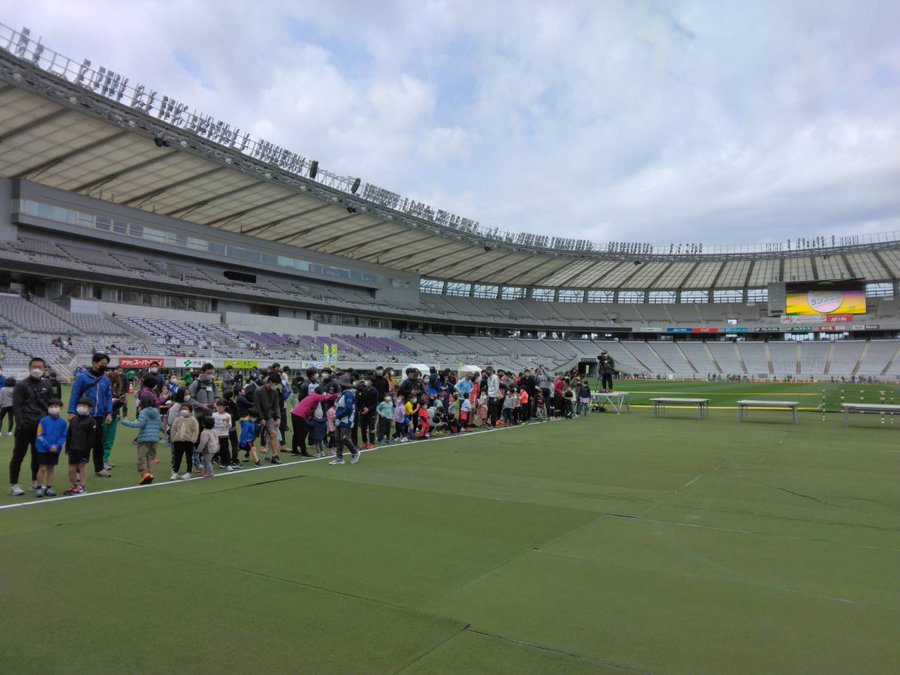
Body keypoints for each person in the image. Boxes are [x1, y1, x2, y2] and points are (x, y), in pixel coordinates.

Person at [9, 358, 53, 496]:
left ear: (45, 369)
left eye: (40, 367)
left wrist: (48, 423)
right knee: (18, 455)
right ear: (29, 368)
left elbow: (49, 405)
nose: (37, 369)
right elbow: (16, 406)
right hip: (25, 426)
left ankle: (35, 482)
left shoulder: (47, 385)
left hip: (40, 427)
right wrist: (20, 423)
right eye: (35, 366)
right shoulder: (21, 385)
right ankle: (14, 484)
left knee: (37, 456)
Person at [68, 353, 114, 478]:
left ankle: (99, 468)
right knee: (82, 444)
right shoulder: (82, 377)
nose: (104, 366)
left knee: (98, 443)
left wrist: (109, 412)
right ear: (94, 363)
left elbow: (108, 397)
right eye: (102, 364)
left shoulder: (106, 379)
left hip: (98, 416)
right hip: (83, 416)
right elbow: (75, 395)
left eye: (106, 364)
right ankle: (78, 470)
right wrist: (71, 412)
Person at [121, 395, 162, 485]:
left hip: (144, 438)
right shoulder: (156, 411)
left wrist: (126, 422)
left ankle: (144, 474)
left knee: (142, 457)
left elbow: (140, 424)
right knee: (150, 458)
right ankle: (150, 473)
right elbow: (160, 425)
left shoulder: (144, 412)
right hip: (154, 438)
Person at [34, 399, 67, 498]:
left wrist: (57, 446)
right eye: (51, 406)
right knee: (42, 468)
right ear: (48, 408)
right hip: (42, 448)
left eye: (56, 406)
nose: (54, 408)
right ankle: (39, 488)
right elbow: (40, 435)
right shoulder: (43, 421)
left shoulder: (63, 422)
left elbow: (63, 436)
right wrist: (48, 446)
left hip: (55, 449)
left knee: (51, 468)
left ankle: (49, 487)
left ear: (61, 408)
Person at [64, 397, 97, 495]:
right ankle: (74, 486)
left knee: (82, 466)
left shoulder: (92, 421)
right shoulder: (74, 419)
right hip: (73, 447)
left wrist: (87, 450)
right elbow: (69, 434)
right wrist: (67, 447)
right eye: (79, 405)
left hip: (83, 449)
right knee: (71, 469)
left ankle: (82, 487)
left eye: (84, 406)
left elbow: (91, 438)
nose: (81, 407)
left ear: (90, 409)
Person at [330, 373, 360, 465]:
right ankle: (339, 458)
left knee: (344, 438)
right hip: (340, 419)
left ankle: (355, 452)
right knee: (338, 438)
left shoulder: (349, 394)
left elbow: (348, 408)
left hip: (346, 419)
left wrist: (337, 416)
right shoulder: (342, 394)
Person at [254, 373, 282, 464]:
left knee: (273, 434)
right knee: (250, 437)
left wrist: (278, 417)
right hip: (257, 417)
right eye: (275, 384)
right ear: (270, 382)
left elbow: (276, 406)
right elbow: (257, 406)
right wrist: (261, 418)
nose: (276, 386)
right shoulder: (258, 391)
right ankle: (245, 454)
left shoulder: (275, 392)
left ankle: (274, 456)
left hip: (269, 416)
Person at [170, 402, 199, 480]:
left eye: (185, 409)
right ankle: (175, 472)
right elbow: (173, 429)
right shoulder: (178, 419)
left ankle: (188, 472)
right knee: (177, 458)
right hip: (178, 442)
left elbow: (195, 431)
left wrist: (193, 440)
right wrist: (174, 438)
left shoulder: (193, 420)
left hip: (188, 442)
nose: (184, 410)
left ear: (190, 410)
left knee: (189, 458)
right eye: (182, 409)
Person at [356, 375, 378, 450]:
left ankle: (371, 443)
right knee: (363, 427)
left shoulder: (374, 391)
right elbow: (361, 400)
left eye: (367, 380)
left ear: (371, 382)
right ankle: (364, 442)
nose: (366, 382)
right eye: (365, 380)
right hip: (363, 411)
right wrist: (364, 408)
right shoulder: (363, 390)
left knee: (371, 428)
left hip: (371, 412)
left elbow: (375, 403)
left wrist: (368, 409)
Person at [212, 400, 233, 471]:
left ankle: (228, 464)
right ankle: (223, 463)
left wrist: (227, 422)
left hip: (224, 435)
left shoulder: (227, 415)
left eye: (220, 406)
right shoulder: (214, 414)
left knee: (225, 450)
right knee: (218, 449)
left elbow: (228, 427)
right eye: (217, 406)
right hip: (215, 435)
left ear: (224, 407)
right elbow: (212, 425)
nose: (218, 408)